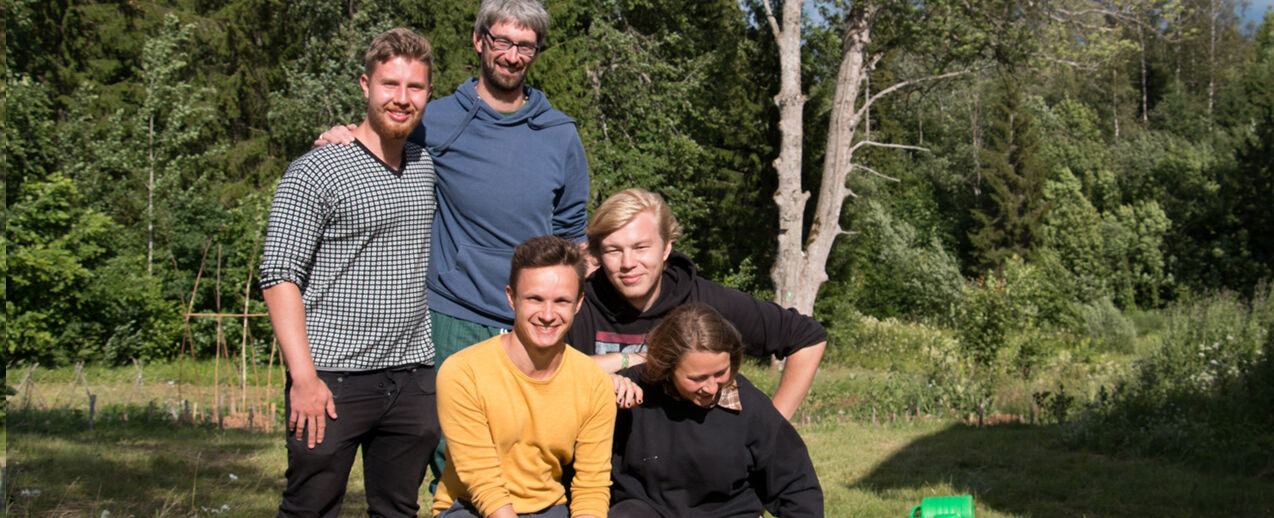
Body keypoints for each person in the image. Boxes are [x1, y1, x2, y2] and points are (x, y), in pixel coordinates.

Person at [259, 28, 440, 518]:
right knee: (310, 508)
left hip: (412, 378)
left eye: (415, 87)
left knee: (398, 509)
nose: (402, 99)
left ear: (427, 94)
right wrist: (303, 377)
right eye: (390, 85)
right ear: (365, 85)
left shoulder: (425, 164)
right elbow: (278, 276)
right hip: (331, 380)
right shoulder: (315, 171)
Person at [566, 188, 828, 419]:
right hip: (598, 463)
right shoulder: (574, 304)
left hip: (688, 465)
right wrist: (628, 359)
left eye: (641, 247)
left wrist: (774, 428)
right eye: (614, 250)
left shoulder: (703, 300)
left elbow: (807, 337)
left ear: (666, 247)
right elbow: (536, 374)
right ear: (598, 253)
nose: (628, 263)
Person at [433, 236, 615, 518]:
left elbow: (591, 486)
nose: (547, 314)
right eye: (535, 299)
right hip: (470, 507)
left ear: (578, 303)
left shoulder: (593, 382)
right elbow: (483, 482)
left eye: (561, 301)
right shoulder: (463, 371)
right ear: (511, 297)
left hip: (549, 507)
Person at [609, 303, 824, 518]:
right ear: (667, 367)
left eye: (721, 372)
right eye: (697, 378)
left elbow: (796, 486)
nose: (711, 388)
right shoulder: (632, 393)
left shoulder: (749, 406)